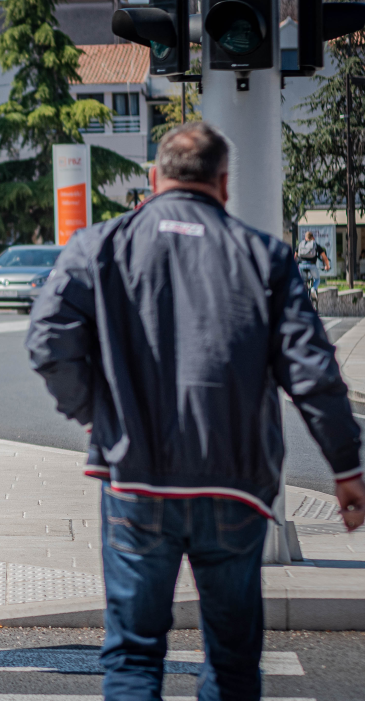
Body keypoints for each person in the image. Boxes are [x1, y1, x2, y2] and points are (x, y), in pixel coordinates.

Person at [26, 122, 365, 701]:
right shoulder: (265, 257)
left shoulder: (100, 245)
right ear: (224, 184)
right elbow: (312, 373)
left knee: (134, 657)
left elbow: (48, 343)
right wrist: (347, 468)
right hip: (234, 485)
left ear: (155, 178)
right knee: (232, 663)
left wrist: (93, 415)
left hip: (135, 479)